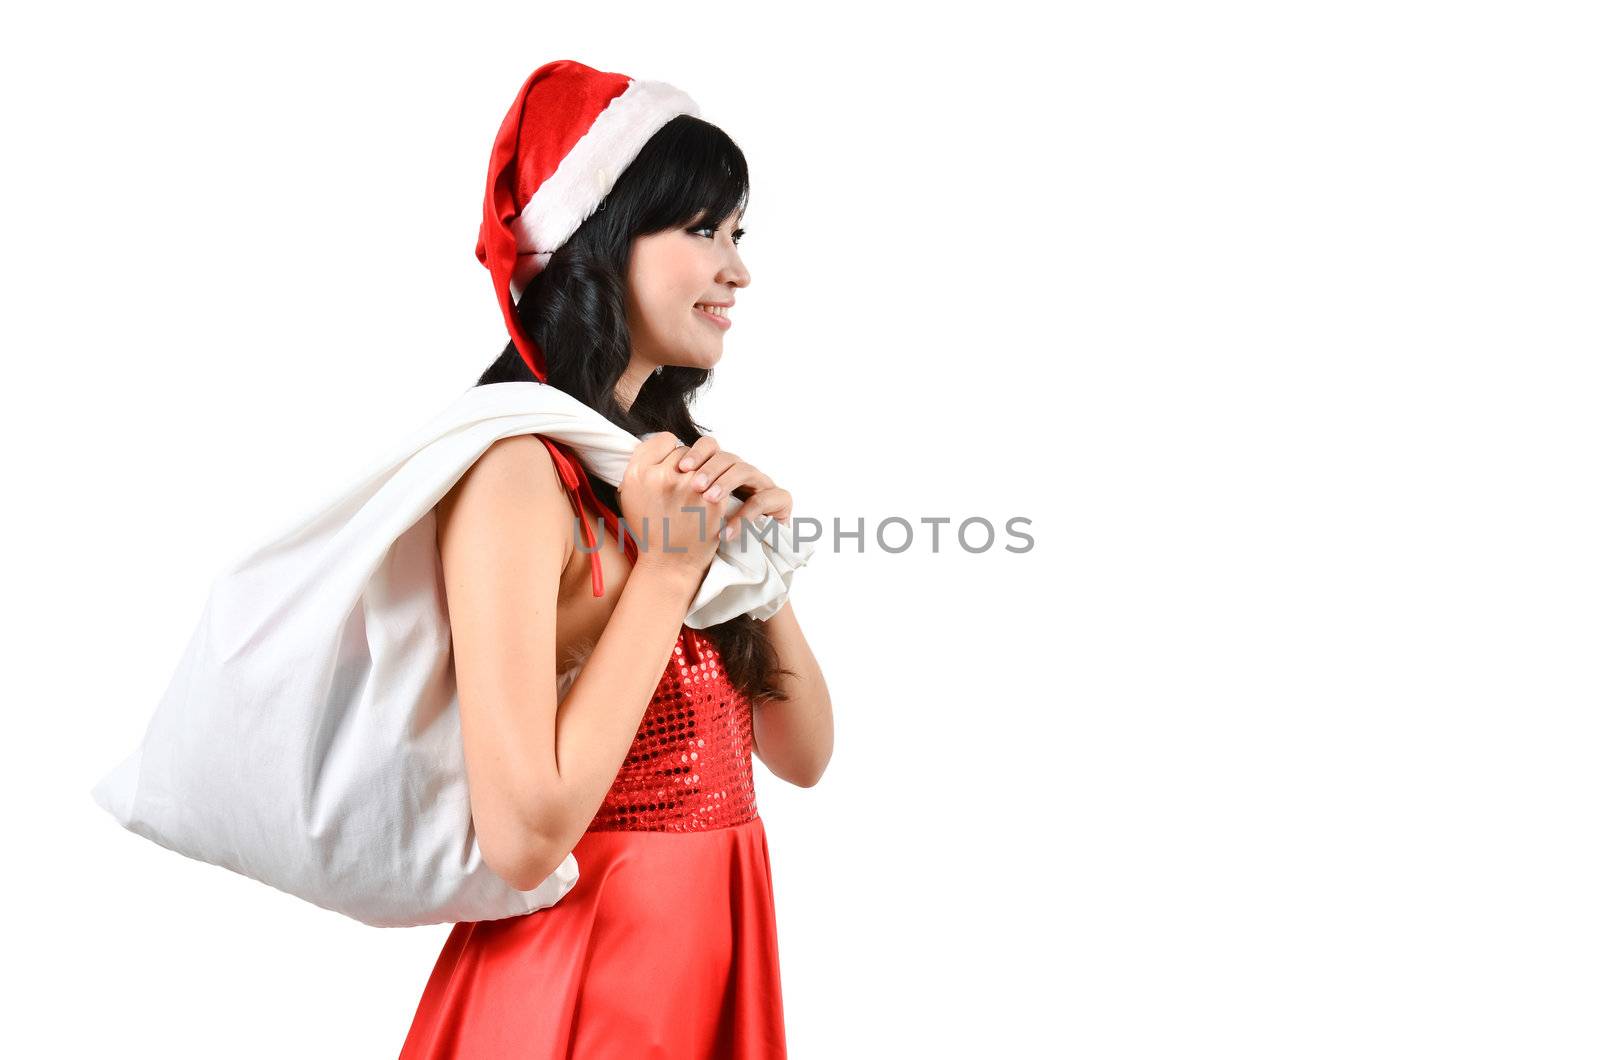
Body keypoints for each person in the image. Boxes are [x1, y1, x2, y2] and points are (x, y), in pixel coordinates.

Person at [398, 62, 833, 1059]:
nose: (737, 270)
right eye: (702, 231)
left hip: (709, 942)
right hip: (584, 971)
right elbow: (522, 836)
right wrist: (672, 571)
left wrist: (756, 569)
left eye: (737, 234)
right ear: (600, 239)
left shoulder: (657, 473)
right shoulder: (516, 471)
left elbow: (802, 757)